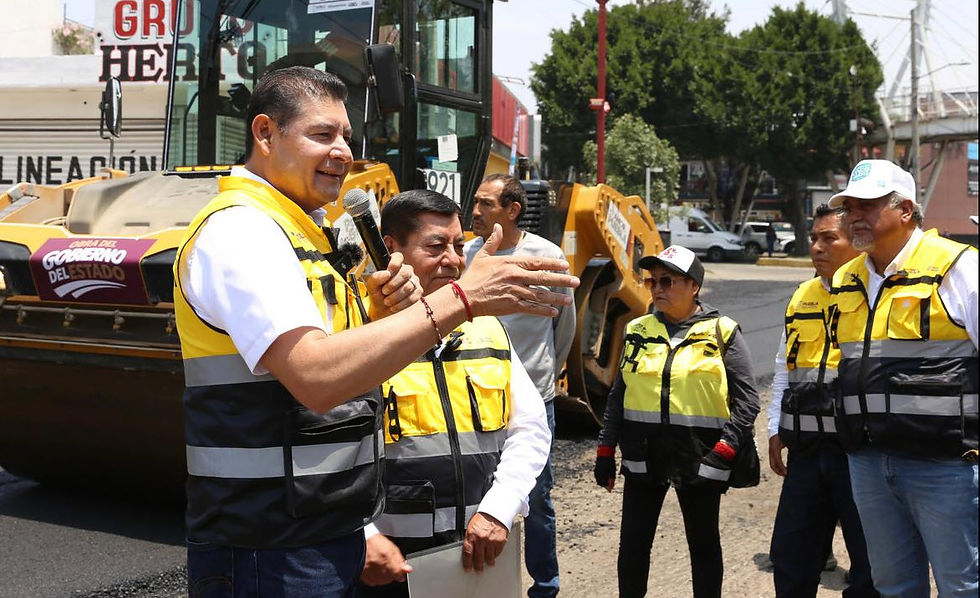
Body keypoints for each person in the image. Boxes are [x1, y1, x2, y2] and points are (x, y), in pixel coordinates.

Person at [172, 66, 578, 597]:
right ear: (265, 134)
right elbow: (317, 378)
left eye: (347, 137)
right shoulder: (243, 230)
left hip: (314, 530)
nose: (343, 151)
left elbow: (349, 388)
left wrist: (382, 319)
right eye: (322, 135)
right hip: (270, 545)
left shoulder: (299, 233)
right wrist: (463, 300)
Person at [356, 189, 552, 596]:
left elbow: (530, 430)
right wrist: (364, 535)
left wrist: (498, 512)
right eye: (436, 246)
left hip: (478, 558)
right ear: (389, 248)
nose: (454, 260)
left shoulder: (487, 327)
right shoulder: (356, 332)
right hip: (389, 565)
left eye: (459, 245)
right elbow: (326, 451)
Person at [828, 159, 978, 597]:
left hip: (946, 464)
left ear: (906, 210)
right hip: (868, 462)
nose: (855, 215)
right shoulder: (846, 278)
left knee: (962, 585)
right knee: (892, 585)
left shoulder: (959, 268)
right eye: (849, 206)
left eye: (868, 205)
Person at [593, 245, 760, 598]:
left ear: (694, 286)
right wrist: (606, 451)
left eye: (667, 281)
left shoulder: (723, 332)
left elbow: (747, 401)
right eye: (652, 281)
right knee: (634, 547)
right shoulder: (637, 329)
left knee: (703, 548)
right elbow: (619, 396)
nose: (656, 289)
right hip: (643, 455)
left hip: (700, 456)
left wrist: (723, 452)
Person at [463, 173, 575, 598]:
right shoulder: (469, 256)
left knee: (538, 501)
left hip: (534, 398)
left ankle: (545, 586)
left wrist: (544, 376)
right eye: (475, 202)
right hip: (478, 399)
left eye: (486, 204)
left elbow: (564, 325)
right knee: (482, 498)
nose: (475, 211)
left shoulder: (544, 256)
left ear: (512, 210)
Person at [767, 204, 877, 598]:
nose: (816, 247)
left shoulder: (875, 293)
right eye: (814, 238)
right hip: (808, 453)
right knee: (790, 559)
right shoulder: (802, 296)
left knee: (870, 567)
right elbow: (784, 367)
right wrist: (774, 426)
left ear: (857, 242)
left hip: (861, 454)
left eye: (829, 238)